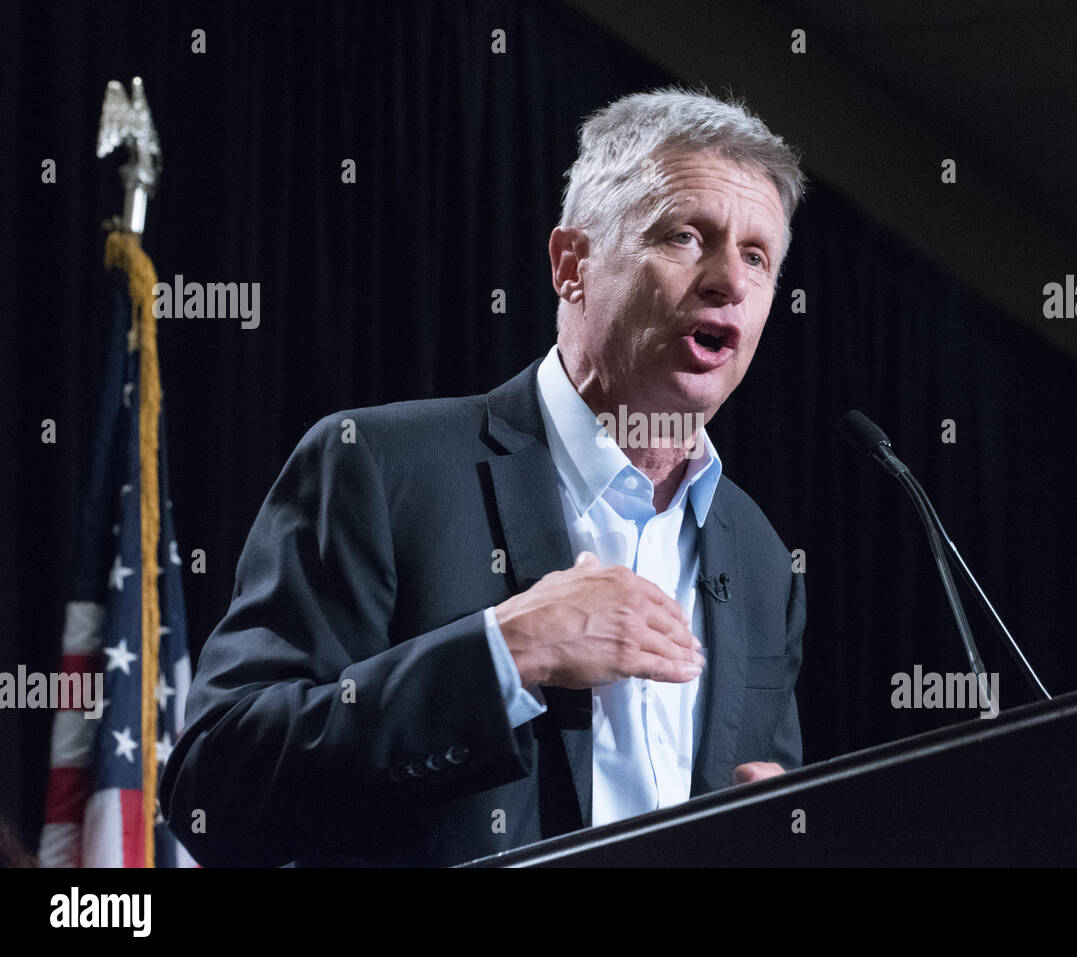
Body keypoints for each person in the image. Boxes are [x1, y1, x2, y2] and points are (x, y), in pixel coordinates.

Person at [160, 87, 808, 866]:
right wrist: (505, 655)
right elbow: (213, 788)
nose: (728, 281)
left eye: (757, 256)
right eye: (685, 235)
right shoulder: (380, 465)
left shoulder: (763, 558)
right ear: (573, 265)